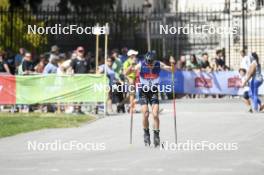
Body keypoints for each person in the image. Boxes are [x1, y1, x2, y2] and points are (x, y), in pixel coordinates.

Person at [134, 51, 172, 147]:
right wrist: (131, 69)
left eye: (151, 63)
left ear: (154, 61)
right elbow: (128, 71)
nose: (149, 65)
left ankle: (156, 135)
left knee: (155, 114)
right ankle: (146, 133)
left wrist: (172, 64)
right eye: (147, 63)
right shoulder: (141, 64)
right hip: (143, 92)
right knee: (146, 113)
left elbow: (172, 70)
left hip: (153, 92)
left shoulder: (159, 64)